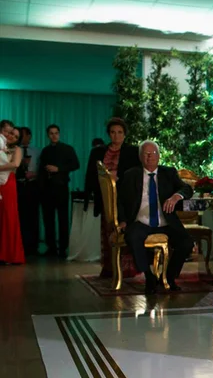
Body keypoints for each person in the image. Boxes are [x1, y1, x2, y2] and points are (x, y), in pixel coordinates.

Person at [116, 141, 194, 295]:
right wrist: (123, 219)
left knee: (186, 242)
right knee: (132, 237)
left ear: (159, 156)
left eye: (153, 154)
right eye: (146, 154)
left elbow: (187, 188)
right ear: (140, 157)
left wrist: (176, 196)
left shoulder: (168, 173)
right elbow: (120, 199)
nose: (150, 157)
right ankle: (149, 276)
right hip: (141, 221)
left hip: (165, 221)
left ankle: (169, 277)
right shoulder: (131, 175)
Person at [84, 117, 141, 278]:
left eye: (120, 132)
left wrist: (119, 180)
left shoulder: (132, 151)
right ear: (109, 134)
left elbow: (136, 175)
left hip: (126, 199)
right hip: (106, 198)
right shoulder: (98, 151)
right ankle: (109, 267)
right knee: (108, 231)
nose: (116, 136)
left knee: (125, 229)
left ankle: (128, 268)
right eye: (113, 132)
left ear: (125, 134)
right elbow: (90, 175)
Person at [38, 124, 80, 258]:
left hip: (61, 187)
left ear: (59, 134)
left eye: (56, 133)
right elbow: (41, 170)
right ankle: (51, 247)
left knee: (62, 219)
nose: (54, 135)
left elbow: (76, 164)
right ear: (48, 135)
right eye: (51, 133)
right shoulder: (45, 151)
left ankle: (62, 248)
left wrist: (59, 168)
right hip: (46, 189)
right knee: (48, 219)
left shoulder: (67, 149)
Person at [0, 125, 25, 264]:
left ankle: (10, 255)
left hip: (8, 184)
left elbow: (15, 164)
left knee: (9, 217)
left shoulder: (17, 149)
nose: (12, 137)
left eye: (16, 136)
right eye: (11, 134)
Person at [15, 126, 40, 255]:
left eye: (22, 135)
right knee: (19, 216)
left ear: (29, 136)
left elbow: (41, 169)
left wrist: (34, 174)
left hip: (32, 186)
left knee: (33, 216)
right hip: (17, 186)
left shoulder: (37, 151)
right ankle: (20, 244)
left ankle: (33, 246)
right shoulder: (14, 150)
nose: (20, 137)